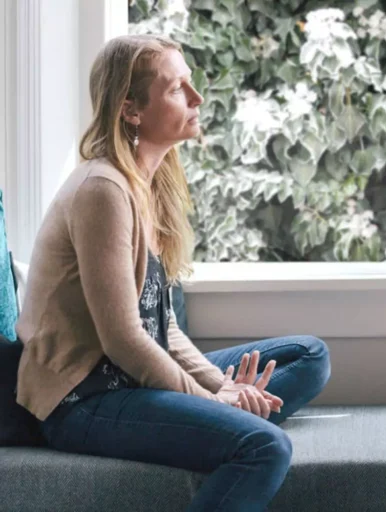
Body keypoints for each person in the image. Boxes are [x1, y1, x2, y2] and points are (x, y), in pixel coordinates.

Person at [15, 34, 330, 512]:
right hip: (85, 398)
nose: (197, 98)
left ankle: (209, 422)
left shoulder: (145, 183)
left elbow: (161, 326)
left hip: (133, 376)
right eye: (178, 88)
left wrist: (221, 388)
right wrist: (212, 401)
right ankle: (218, 427)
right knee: (265, 446)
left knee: (309, 357)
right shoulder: (103, 190)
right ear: (131, 109)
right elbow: (123, 337)